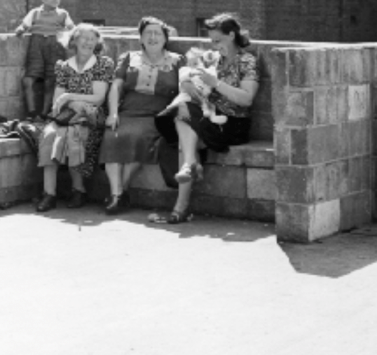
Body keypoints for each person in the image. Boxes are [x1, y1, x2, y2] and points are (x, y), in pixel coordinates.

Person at [154, 14, 259, 224]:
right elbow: (194, 83)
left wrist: (216, 83)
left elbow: (246, 99)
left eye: (218, 40)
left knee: (184, 132)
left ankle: (181, 204)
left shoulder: (247, 61)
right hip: (207, 115)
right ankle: (191, 167)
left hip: (232, 122)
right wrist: (189, 86)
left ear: (232, 35)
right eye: (211, 40)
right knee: (180, 113)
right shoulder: (212, 58)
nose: (214, 45)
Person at [100, 17, 183, 214]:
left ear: (165, 38)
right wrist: (112, 113)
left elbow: (183, 89)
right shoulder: (129, 58)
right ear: (141, 38)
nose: (152, 37)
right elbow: (116, 86)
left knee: (138, 140)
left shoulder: (177, 60)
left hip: (157, 115)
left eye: (157, 33)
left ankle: (119, 193)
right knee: (113, 137)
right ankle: (117, 195)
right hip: (128, 112)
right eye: (148, 33)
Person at [36, 23, 114, 212]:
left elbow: (98, 97)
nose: (88, 42)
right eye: (84, 38)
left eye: (92, 39)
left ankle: (78, 190)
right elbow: (57, 99)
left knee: (75, 133)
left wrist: (70, 97)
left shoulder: (102, 64)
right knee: (49, 134)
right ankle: (49, 194)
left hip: (93, 114)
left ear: (97, 42)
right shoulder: (64, 66)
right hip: (67, 113)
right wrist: (71, 103)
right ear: (74, 40)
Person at [15, 0, 76, 119]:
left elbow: (73, 29)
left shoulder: (63, 14)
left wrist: (72, 37)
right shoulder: (35, 13)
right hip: (36, 47)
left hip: (55, 47)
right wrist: (20, 29)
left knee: (51, 81)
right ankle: (31, 112)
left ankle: (44, 113)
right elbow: (24, 26)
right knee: (28, 80)